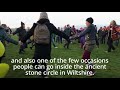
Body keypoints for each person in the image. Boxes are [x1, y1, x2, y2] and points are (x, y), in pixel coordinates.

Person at [21, 12, 70, 78]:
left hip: (38, 48)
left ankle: (42, 73)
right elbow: (59, 33)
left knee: (34, 63)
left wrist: (22, 40)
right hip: (47, 47)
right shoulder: (50, 25)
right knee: (44, 62)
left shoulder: (35, 25)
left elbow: (28, 34)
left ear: (40, 17)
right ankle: (44, 74)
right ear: (47, 17)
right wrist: (67, 37)